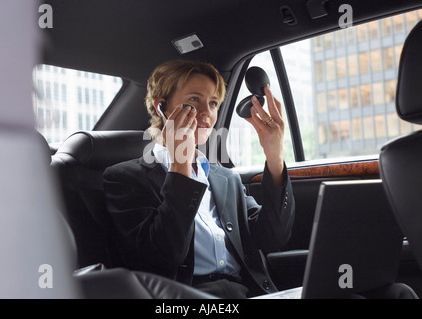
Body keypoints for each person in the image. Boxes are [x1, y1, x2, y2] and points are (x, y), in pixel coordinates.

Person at [103, 60, 295, 298]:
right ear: (162, 107)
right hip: (184, 296)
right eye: (194, 100)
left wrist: (274, 155)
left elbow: (272, 238)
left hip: (247, 292)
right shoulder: (124, 178)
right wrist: (180, 163)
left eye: (213, 103)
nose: (207, 113)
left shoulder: (226, 179)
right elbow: (163, 256)